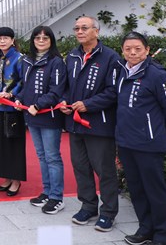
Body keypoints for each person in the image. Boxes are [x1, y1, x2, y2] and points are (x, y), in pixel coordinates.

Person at [115, 32, 166, 245]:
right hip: (126, 142)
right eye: (128, 49)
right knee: (136, 189)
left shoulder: (157, 75)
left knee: (155, 191)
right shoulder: (122, 71)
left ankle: (163, 236)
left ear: (147, 50)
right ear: (122, 51)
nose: (132, 52)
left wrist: (156, 133)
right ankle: (146, 229)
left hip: (149, 145)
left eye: (137, 49)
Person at [62, 15, 122, 232]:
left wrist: (88, 104)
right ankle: (88, 206)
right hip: (75, 123)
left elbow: (113, 91)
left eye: (84, 28)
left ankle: (108, 212)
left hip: (99, 124)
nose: (79, 31)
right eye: (76, 28)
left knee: (104, 170)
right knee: (80, 167)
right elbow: (66, 85)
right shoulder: (72, 56)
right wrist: (65, 102)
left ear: (96, 31)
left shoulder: (110, 57)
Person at [17, 25, 67, 215]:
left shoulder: (56, 62)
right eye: (37, 38)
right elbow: (25, 86)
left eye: (45, 38)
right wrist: (19, 99)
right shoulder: (27, 61)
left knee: (53, 157)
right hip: (32, 115)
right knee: (41, 156)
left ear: (51, 41)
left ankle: (56, 197)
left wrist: (38, 105)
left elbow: (56, 91)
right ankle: (46, 192)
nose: (41, 41)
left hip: (49, 116)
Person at [0, 26, 25, 197]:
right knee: (1, 144)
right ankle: (7, 178)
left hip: (12, 107)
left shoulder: (19, 58)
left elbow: (22, 81)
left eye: (5, 38)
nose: (2, 41)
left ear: (12, 40)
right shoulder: (1, 58)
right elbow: (0, 81)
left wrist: (11, 94)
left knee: (13, 144)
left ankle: (16, 180)